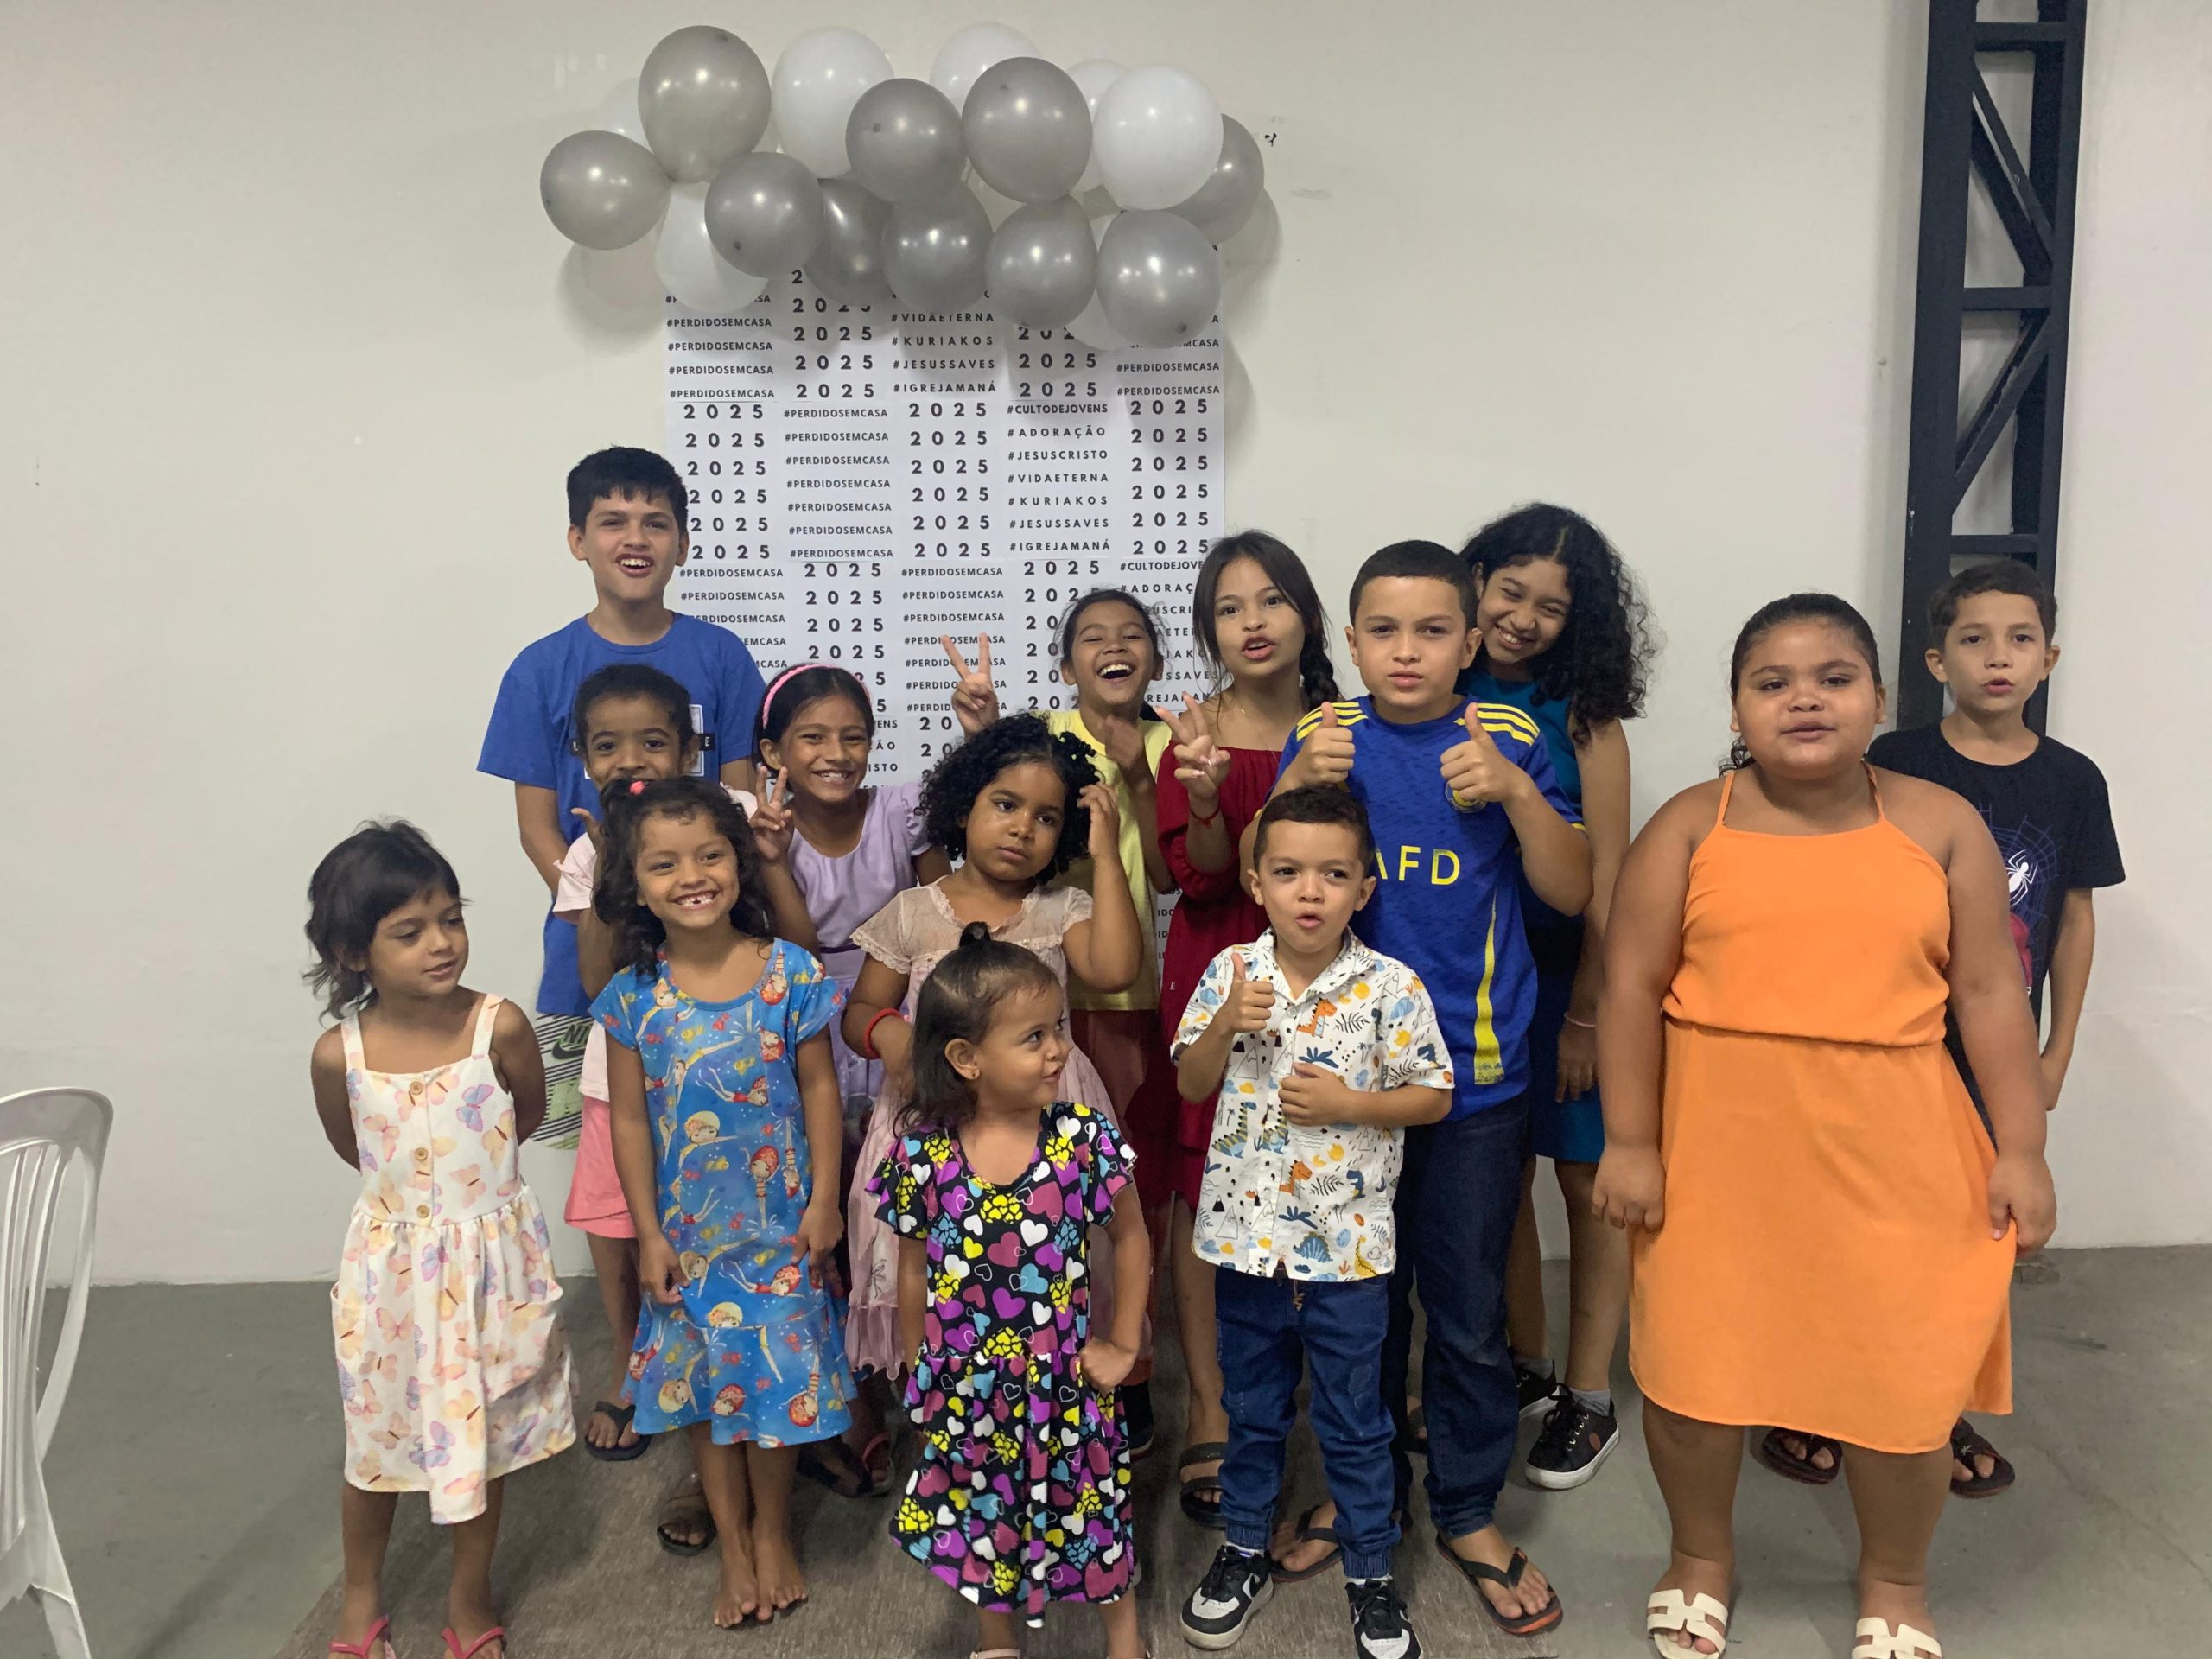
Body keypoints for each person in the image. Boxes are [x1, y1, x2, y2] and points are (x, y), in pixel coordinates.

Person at [1594, 593, 2056, 1659]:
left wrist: (2022, 1149)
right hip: (1717, 1154)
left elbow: (1990, 991)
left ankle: (1894, 1578)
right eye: (1772, 683)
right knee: (1695, 1378)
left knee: (1903, 1386)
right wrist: (1629, 1141)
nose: (1803, 699)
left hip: (1901, 1155)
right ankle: (1698, 1557)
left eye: (1833, 678)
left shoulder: (1941, 824)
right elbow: (1628, 988)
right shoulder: (1688, 825)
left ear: (1878, 698)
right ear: (1736, 708)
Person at [1254, 540, 1590, 1638]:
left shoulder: (1507, 738)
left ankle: (1466, 1508)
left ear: (1470, 640)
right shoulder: (1323, 736)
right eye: (1385, 631)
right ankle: (1366, 1499)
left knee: (1468, 1315)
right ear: (1351, 642)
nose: (1408, 651)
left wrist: (1517, 797)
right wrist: (1293, 785)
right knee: (1355, 1313)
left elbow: (1572, 888)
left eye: (1434, 630)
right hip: (1341, 1087)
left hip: (1475, 1081)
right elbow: (1269, 873)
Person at [1759, 561, 2121, 1503]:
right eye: (1973, 639)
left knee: (1965, 1238)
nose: (1997, 657)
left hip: (1992, 1053)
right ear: (1934, 661)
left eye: (2019, 639)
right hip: (1889, 1043)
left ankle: (1935, 1405)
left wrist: (2054, 1052)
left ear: (2048, 657)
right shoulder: (1895, 763)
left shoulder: (2073, 780)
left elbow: (2073, 919)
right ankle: (1816, 1398)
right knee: (1849, 1222)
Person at [1173, 786, 1453, 1659]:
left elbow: (1433, 1095)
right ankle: (1243, 1548)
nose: (1309, 892)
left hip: (1346, 1255)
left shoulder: (1390, 986)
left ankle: (1370, 1574)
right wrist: (1226, 1023)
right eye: (1289, 872)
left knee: (1356, 1421)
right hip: (1245, 1247)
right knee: (1251, 1412)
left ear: (1363, 889)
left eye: (1333, 875)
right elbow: (1189, 1082)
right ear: (1256, 882)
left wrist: (1351, 1104)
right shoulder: (1231, 971)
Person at [306, 823, 575, 1659]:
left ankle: (468, 1594)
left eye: (451, 919)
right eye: (410, 931)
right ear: (353, 952)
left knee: (478, 1439)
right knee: (375, 1437)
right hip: (390, 1281)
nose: (441, 943)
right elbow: (355, 1146)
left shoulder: (500, 1027)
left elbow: (524, 1116)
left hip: (490, 1269)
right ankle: (361, 1596)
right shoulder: (339, 1056)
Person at [592, 777, 855, 1630]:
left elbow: (821, 1089)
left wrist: (825, 1199)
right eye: (665, 864)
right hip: (689, 1239)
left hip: (782, 1230)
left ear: (738, 865)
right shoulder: (632, 997)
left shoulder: (790, 974)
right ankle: (733, 1546)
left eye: (710, 855)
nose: (692, 876)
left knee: (777, 1384)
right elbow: (629, 1121)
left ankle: (773, 1532)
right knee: (706, 1393)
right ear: (635, 886)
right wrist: (647, 1234)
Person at [868, 922, 1153, 1659]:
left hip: (1066, 1386)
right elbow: (912, 1271)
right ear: (965, 1058)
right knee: (982, 1524)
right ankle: (997, 1642)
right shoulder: (922, 1157)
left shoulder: (1082, 1140)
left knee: (1094, 1516)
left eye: (1057, 1027)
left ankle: (1125, 1642)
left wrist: (1124, 1342)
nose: (1058, 1049)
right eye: (1033, 1037)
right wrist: (920, 1371)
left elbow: (1130, 1239)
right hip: (968, 1391)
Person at [839, 714, 1143, 1382]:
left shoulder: (1061, 909)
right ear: (963, 805)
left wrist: (1106, 856)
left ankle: (1050, 1392)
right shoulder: (914, 911)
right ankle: (948, 1395)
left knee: (1045, 1270)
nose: (1022, 828)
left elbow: (1117, 968)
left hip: (1044, 1114)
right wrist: (892, 1035)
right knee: (939, 1268)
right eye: (1005, 805)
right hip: (935, 1117)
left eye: (1046, 818)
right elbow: (858, 1011)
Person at [478, 446, 766, 1148]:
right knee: (600, 1152)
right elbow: (537, 830)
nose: (635, 539)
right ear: (578, 540)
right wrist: (602, 906)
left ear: (683, 545)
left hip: (710, 944)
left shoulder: (722, 657)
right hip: (589, 953)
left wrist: (690, 908)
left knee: (718, 1136)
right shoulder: (539, 670)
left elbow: (742, 803)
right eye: (612, 521)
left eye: (655, 523)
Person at [949, 592, 1177, 1456]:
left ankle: (1130, 1369)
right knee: (1021, 1198)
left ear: (1155, 658)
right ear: (1065, 661)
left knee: (1120, 1199)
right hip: (1031, 1004)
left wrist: (1144, 777)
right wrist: (981, 731)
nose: (1113, 647)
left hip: (1124, 1002)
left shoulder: (1169, 739)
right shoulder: (1042, 735)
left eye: (1132, 636)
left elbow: (1168, 874)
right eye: (1092, 637)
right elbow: (990, 803)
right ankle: (1024, 1361)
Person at [1459, 503, 1655, 1490]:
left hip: (1572, 973)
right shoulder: (1437, 683)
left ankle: (1590, 1394)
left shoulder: (1586, 719)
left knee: (1585, 1183)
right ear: (1476, 582)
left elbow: (1611, 880)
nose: (1524, 619)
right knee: (1493, 1175)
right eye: (1511, 592)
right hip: (1472, 974)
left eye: (1551, 608)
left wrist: (1586, 1014)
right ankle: (1527, 1362)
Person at [1153, 533, 1342, 1528]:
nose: (1253, 622)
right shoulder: (1192, 735)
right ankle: (1211, 1406)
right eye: (1229, 609)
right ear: (1208, 631)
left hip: (1322, 972)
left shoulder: (1347, 725)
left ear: (1306, 613)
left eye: (1271, 600)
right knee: (1206, 1184)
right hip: (1220, 965)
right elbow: (1204, 879)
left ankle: (1333, 1397)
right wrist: (1199, 794)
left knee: (1323, 1166)